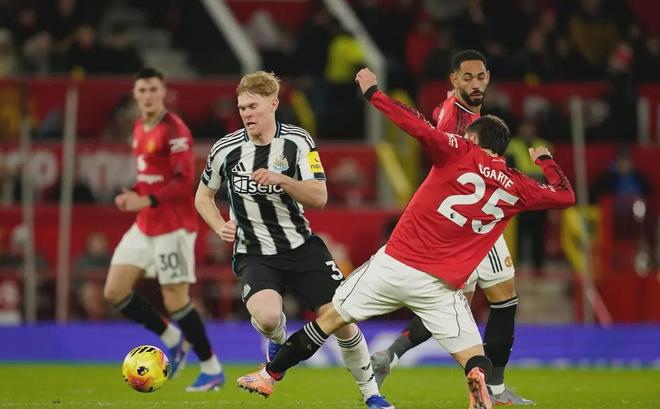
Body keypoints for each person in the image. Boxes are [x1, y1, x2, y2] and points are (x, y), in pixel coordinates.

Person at [236, 69, 575, 409]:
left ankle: (269, 375)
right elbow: (565, 196)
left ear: (472, 138)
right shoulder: (518, 186)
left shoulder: (459, 150)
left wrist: (374, 94)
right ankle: (477, 378)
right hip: (441, 285)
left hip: (393, 266)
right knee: (474, 356)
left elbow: (416, 126)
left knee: (329, 321)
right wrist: (545, 161)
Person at [194, 71, 392, 409]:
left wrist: (283, 180)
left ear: (273, 104)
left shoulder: (297, 142)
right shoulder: (225, 149)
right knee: (268, 318)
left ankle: (372, 394)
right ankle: (277, 335)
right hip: (254, 253)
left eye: (253, 106)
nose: (246, 114)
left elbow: (319, 197)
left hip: (301, 247)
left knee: (342, 321)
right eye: (242, 107)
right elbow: (203, 196)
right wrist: (218, 226)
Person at [370, 49, 534, 405]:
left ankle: (389, 355)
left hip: (456, 217)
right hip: (474, 221)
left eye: (481, 77)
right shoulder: (460, 123)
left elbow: (433, 123)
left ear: (488, 78)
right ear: (454, 79)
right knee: (504, 298)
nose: (476, 84)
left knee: (452, 304)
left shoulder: (453, 109)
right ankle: (495, 389)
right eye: (467, 78)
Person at [102, 67, 224, 392]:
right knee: (114, 291)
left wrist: (144, 200)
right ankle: (172, 338)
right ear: (135, 94)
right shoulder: (139, 127)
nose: (148, 96)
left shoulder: (176, 131)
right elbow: (150, 176)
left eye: (153, 89)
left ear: (163, 92)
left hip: (174, 227)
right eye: (142, 90)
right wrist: (133, 193)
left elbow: (185, 181)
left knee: (176, 300)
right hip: (145, 224)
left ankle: (211, 369)